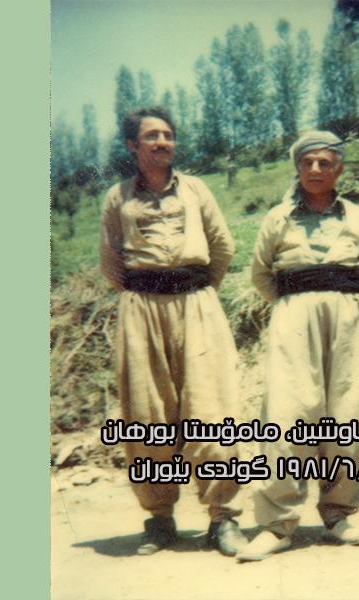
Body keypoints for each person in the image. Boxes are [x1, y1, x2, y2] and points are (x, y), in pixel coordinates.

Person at [99, 107, 247, 556]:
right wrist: (149, 293)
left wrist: (194, 291)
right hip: (142, 310)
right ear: (133, 145)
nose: (163, 142)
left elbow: (222, 245)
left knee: (213, 410)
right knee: (147, 415)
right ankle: (160, 520)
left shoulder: (197, 189)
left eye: (168, 135)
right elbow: (111, 262)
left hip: (197, 305)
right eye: (152, 136)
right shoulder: (117, 198)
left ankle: (222, 519)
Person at [237, 131, 359, 561]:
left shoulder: (356, 217)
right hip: (293, 318)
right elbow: (261, 274)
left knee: (347, 412)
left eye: (325, 162)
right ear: (297, 167)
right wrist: (295, 306)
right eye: (307, 162)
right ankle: (277, 524)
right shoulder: (278, 218)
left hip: (347, 319)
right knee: (287, 414)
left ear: (339, 168)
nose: (316, 169)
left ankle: (338, 514)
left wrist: (340, 303)